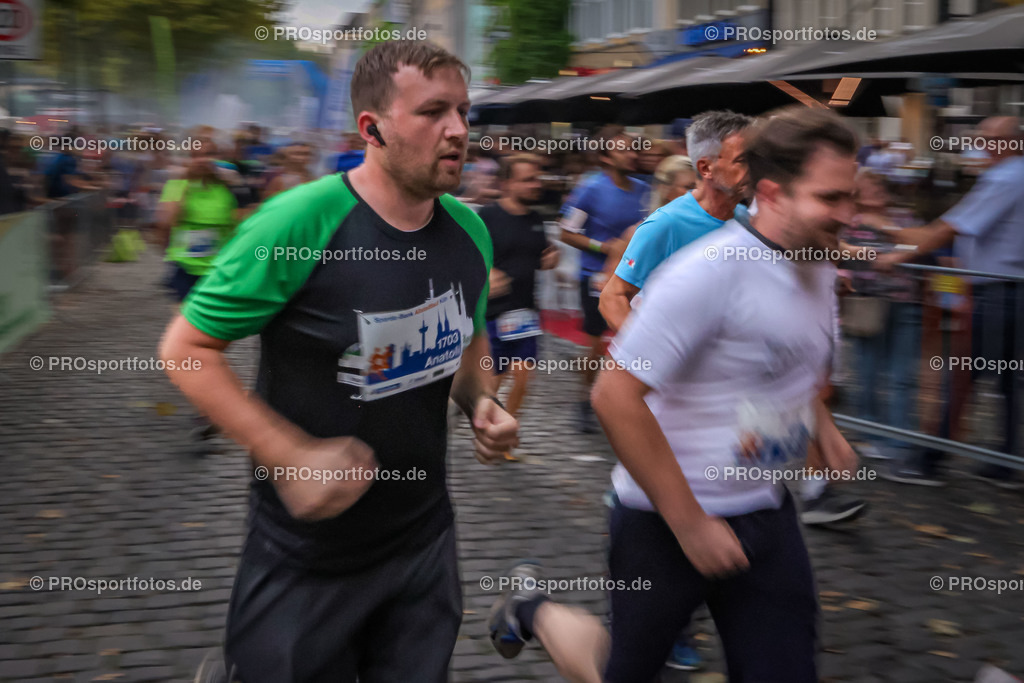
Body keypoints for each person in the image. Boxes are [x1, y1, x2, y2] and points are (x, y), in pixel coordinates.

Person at [161, 40, 519, 683]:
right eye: (434, 111)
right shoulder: (300, 220)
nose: (460, 131)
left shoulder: (470, 229)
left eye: (464, 112)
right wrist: (290, 454)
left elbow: (469, 343)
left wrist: (481, 403)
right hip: (306, 560)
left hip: (423, 543)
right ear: (371, 128)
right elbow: (185, 350)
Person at [488, 105, 861, 683]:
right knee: (620, 670)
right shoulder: (707, 272)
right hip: (662, 524)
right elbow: (614, 397)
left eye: (850, 197)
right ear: (773, 192)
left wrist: (825, 431)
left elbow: (784, 365)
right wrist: (689, 523)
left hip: (765, 513)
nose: (848, 214)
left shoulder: (817, 266)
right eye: (830, 199)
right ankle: (532, 609)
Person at [876, 115, 1024, 488]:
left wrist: (893, 256)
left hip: (999, 294)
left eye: (989, 138)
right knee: (1007, 381)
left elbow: (948, 229)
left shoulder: (1006, 177)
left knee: (961, 375)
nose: (982, 145)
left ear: (1010, 142)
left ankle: (928, 460)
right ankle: (1007, 462)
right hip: (1005, 291)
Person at [598, 111, 752, 334]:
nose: (752, 169)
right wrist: (649, 352)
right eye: (741, 161)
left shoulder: (747, 219)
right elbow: (612, 297)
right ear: (705, 168)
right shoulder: (666, 224)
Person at [559, 124, 649, 433]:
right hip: (597, 277)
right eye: (623, 149)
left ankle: (627, 399)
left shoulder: (643, 189)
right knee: (595, 344)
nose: (632, 154)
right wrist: (603, 246)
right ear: (606, 156)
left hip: (635, 278)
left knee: (633, 339)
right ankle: (585, 399)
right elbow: (565, 231)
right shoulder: (590, 189)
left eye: (633, 148)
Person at [479, 153, 559, 446]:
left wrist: (551, 257)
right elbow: (463, 256)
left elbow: (541, 255)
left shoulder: (536, 219)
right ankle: (485, 424)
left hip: (526, 313)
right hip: (492, 314)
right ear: (507, 183)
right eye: (527, 180)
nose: (536, 185)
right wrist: (485, 272)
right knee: (493, 381)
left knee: (524, 378)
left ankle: (505, 430)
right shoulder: (486, 217)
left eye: (537, 178)